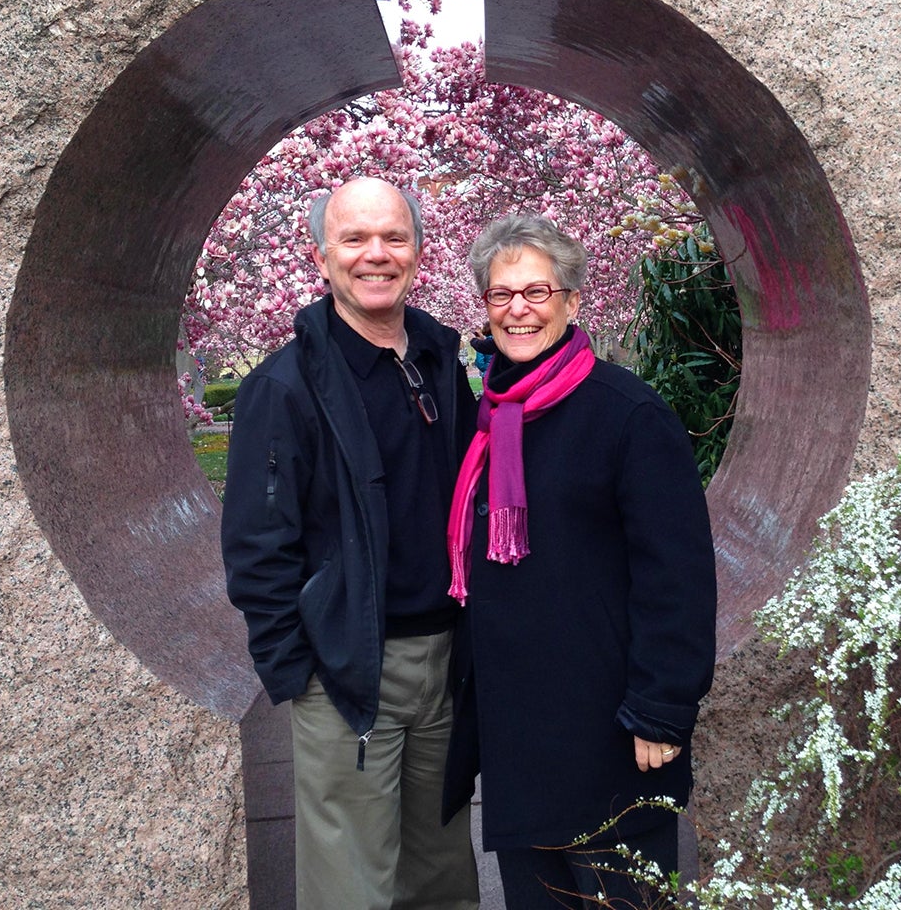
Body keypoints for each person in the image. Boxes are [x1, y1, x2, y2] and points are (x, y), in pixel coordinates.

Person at [442, 214, 716, 909]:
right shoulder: (494, 421)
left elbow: (677, 575)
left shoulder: (628, 416)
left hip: (607, 730)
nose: (519, 310)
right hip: (520, 734)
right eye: (502, 295)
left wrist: (662, 707)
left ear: (573, 300)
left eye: (537, 291)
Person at [222, 177, 480, 910]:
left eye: (394, 238)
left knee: (441, 876)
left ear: (419, 252)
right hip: (347, 668)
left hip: (445, 660)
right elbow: (256, 544)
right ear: (321, 255)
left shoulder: (438, 358)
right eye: (355, 238)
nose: (377, 254)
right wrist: (296, 670)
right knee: (351, 888)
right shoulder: (284, 387)